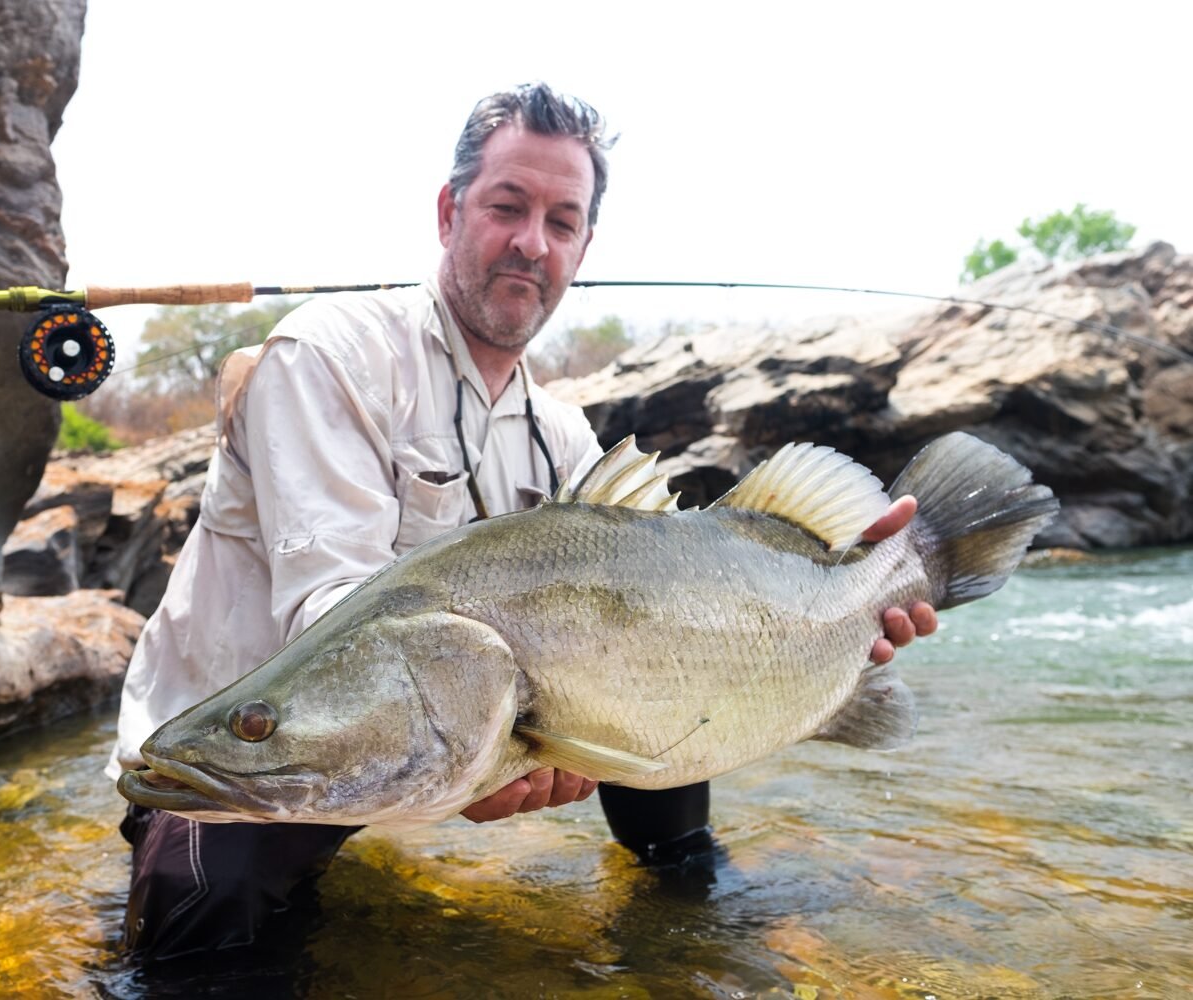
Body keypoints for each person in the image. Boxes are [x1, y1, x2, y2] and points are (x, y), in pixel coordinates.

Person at [107, 82, 938, 962]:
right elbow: (332, 615)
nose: (530, 243)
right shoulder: (329, 354)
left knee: (660, 724)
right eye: (507, 207)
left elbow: (678, 611)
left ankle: (692, 920)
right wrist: (484, 740)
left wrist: (840, 628)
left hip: (452, 739)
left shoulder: (566, 436)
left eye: (561, 221)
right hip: (272, 743)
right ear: (448, 211)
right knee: (190, 938)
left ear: (582, 245)